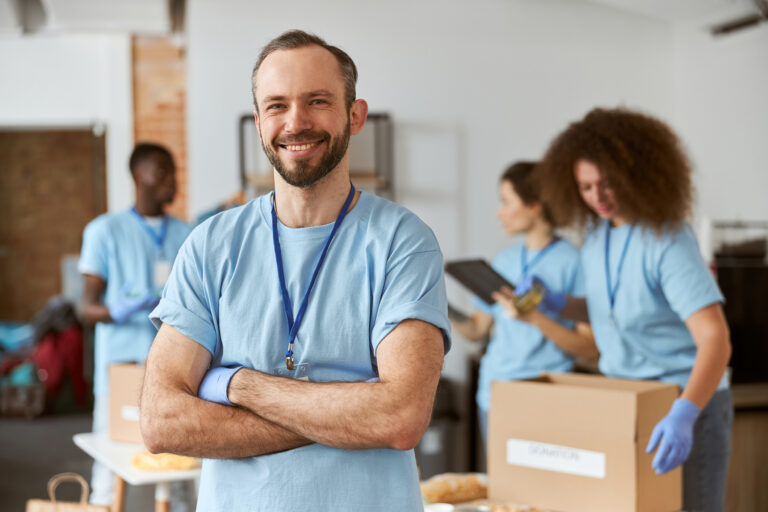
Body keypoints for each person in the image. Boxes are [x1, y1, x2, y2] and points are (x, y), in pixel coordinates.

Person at [140, 30, 450, 512]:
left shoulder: (402, 242)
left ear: (355, 114)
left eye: (318, 101)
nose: (296, 122)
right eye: (276, 105)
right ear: (260, 121)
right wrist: (346, 413)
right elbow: (162, 421)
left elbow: (400, 417)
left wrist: (233, 384)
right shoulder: (210, 245)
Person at [528, 107, 732, 511]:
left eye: (607, 184)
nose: (597, 197)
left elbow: (715, 339)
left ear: (636, 175)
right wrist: (557, 303)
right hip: (626, 399)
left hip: (685, 402)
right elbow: (613, 310)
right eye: (585, 187)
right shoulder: (598, 236)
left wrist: (685, 412)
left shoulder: (667, 239)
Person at [450, 161, 596, 443]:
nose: (499, 212)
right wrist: (436, 305)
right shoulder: (505, 260)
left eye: (506, 202)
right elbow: (476, 330)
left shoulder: (574, 262)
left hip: (544, 399)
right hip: (493, 395)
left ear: (534, 205)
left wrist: (535, 319)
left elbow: (590, 349)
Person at [79, 142, 191, 506]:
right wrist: (118, 310)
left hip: (174, 370)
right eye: (161, 172)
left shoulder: (186, 234)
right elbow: (86, 308)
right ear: (137, 176)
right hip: (122, 371)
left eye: (172, 173)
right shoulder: (103, 231)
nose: (170, 181)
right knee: (110, 465)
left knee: (179, 468)